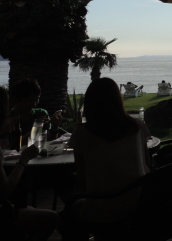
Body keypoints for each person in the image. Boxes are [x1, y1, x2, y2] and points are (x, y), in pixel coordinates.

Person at [67, 77, 151, 226]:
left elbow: (82, 180)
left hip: (103, 208)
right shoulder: (137, 126)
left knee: (70, 210)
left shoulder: (81, 133)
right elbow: (147, 164)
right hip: (139, 204)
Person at [0, 87, 59, 241]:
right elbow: (5, 188)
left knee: (29, 208)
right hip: (3, 213)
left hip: (6, 205)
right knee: (52, 218)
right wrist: (24, 159)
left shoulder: (39, 113)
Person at [9, 78, 63, 145]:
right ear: (17, 100)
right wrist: (37, 128)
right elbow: (13, 145)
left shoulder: (41, 114)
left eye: (37, 100)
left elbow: (50, 141)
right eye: (29, 101)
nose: (34, 104)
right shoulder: (8, 120)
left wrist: (54, 127)